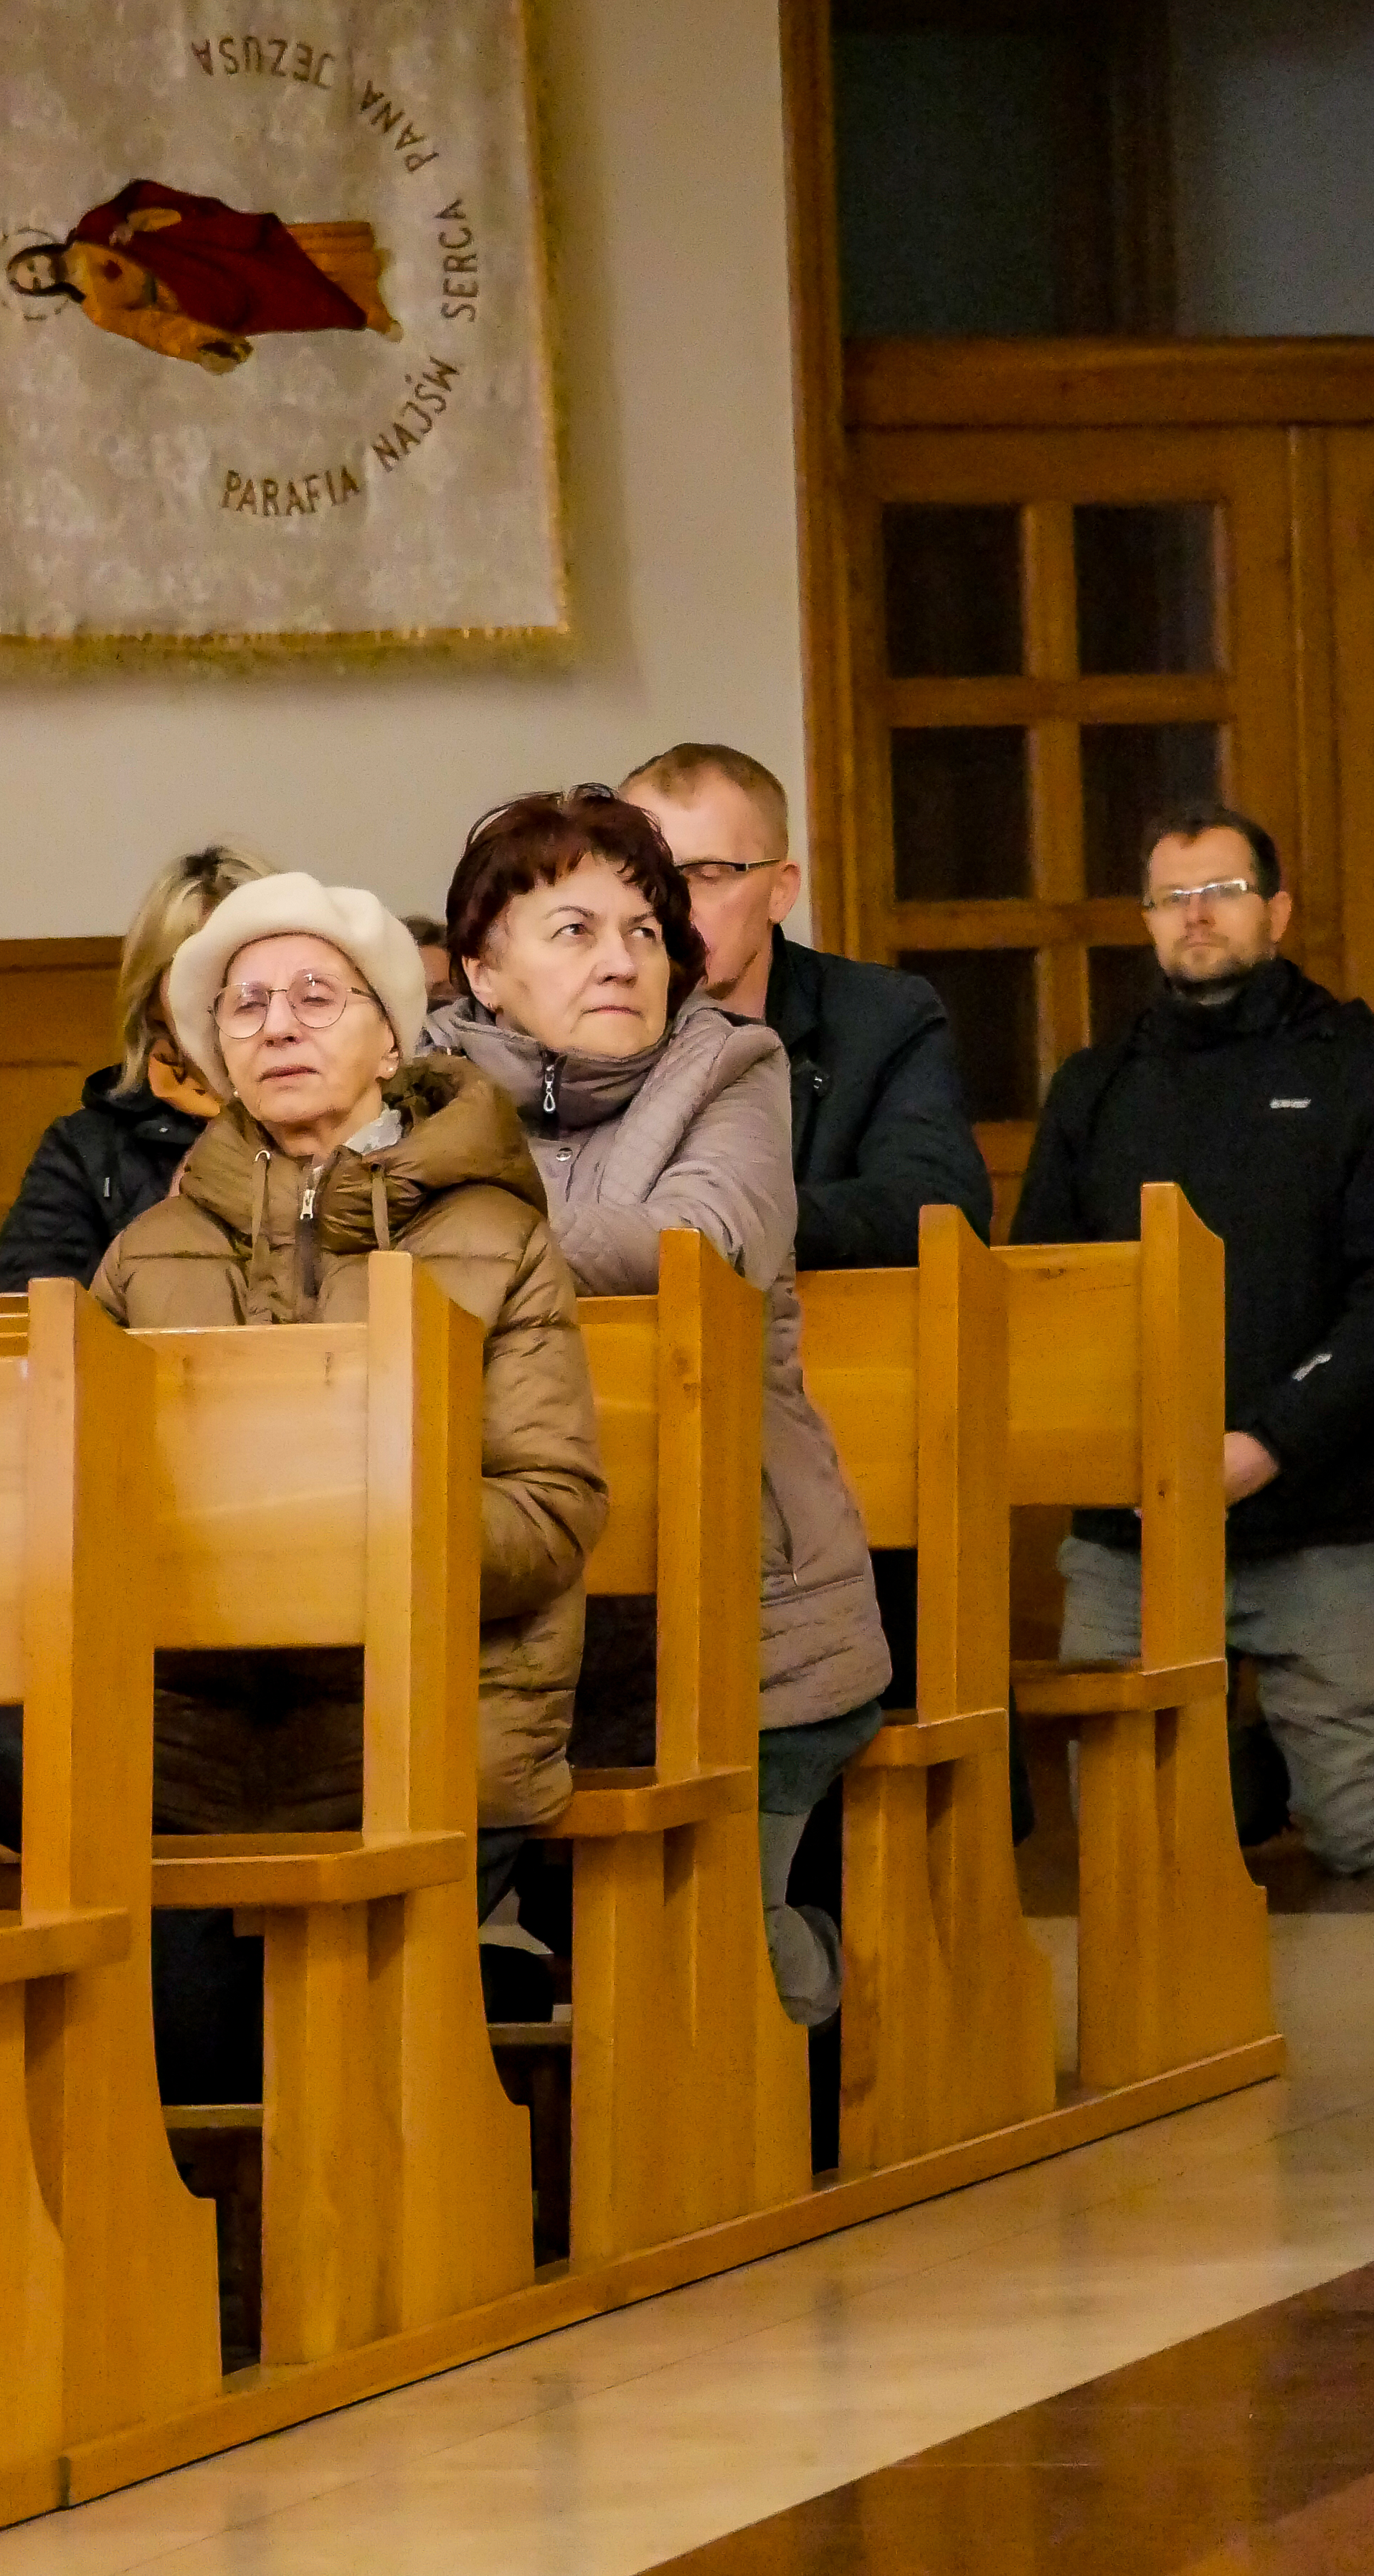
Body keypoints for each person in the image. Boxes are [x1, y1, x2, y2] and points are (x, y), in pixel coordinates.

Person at [85, 871, 605, 2095]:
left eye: (317, 997)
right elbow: (72, 1504)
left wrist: (333, 1551)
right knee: (188, 2063)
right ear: (216, 1053)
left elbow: (551, 1507)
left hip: (430, 1724)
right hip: (194, 1742)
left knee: (339, 2075)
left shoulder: (496, 1235)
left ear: (390, 1036)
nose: (279, 1025)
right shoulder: (146, 1255)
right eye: (247, 1006)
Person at [427, 787, 893, 2028]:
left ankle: (805, 1988)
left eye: (644, 930)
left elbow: (703, 1244)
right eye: (574, 930)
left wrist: (464, 1233)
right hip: (510, 1606)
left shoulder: (731, 1066)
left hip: (740, 1606)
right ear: (484, 971)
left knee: (710, 1966)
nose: (621, 960)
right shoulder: (417, 1090)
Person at [1013, 805, 1374, 1878]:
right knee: (1131, 1839)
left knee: (1371, 1835)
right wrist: (1135, 1456)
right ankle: (1252, 1772)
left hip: (1317, 1517)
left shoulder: (1370, 1071)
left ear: (1277, 910)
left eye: (1221, 892)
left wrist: (1261, 1446)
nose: (1196, 916)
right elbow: (1041, 1292)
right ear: (1146, 921)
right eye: (1172, 898)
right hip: (1134, 1528)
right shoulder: (1093, 1087)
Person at [619, 742, 992, 1267]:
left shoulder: (881, 1018)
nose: (669, 909)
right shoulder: (580, 1019)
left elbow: (938, 1209)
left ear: (780, 892)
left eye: (707, 875)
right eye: (644, 879)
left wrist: (732, 1223)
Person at [0, 839, 271, 1292]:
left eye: (248, 967)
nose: (230, 994)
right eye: (195, 970)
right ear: (153, 1002)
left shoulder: (354, 1120)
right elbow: (30, 1314)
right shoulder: (88, 1150)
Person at [6, 184, 396, 368]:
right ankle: (365, 308)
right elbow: (150, 328)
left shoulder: (91, 229)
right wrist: (200, 347)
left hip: (190, 253)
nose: (40, 274)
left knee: (273, 261)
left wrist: (134, 223)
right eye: (34, 283)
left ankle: (360, 260)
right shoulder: (96, 310)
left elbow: (136, 199)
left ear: (37, 251)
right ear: (44, 292)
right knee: (286, 303)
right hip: (193, 297)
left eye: (31, 266)